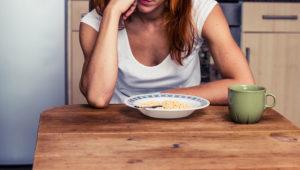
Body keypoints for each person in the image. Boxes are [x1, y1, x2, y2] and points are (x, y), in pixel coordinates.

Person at [79, 0, 255, 108]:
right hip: (118, 123)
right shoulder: (93, 23)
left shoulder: (201, 9)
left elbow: (243, 83)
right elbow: (98, 98)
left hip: (182, 119)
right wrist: (112, 11)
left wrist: (160, 100)